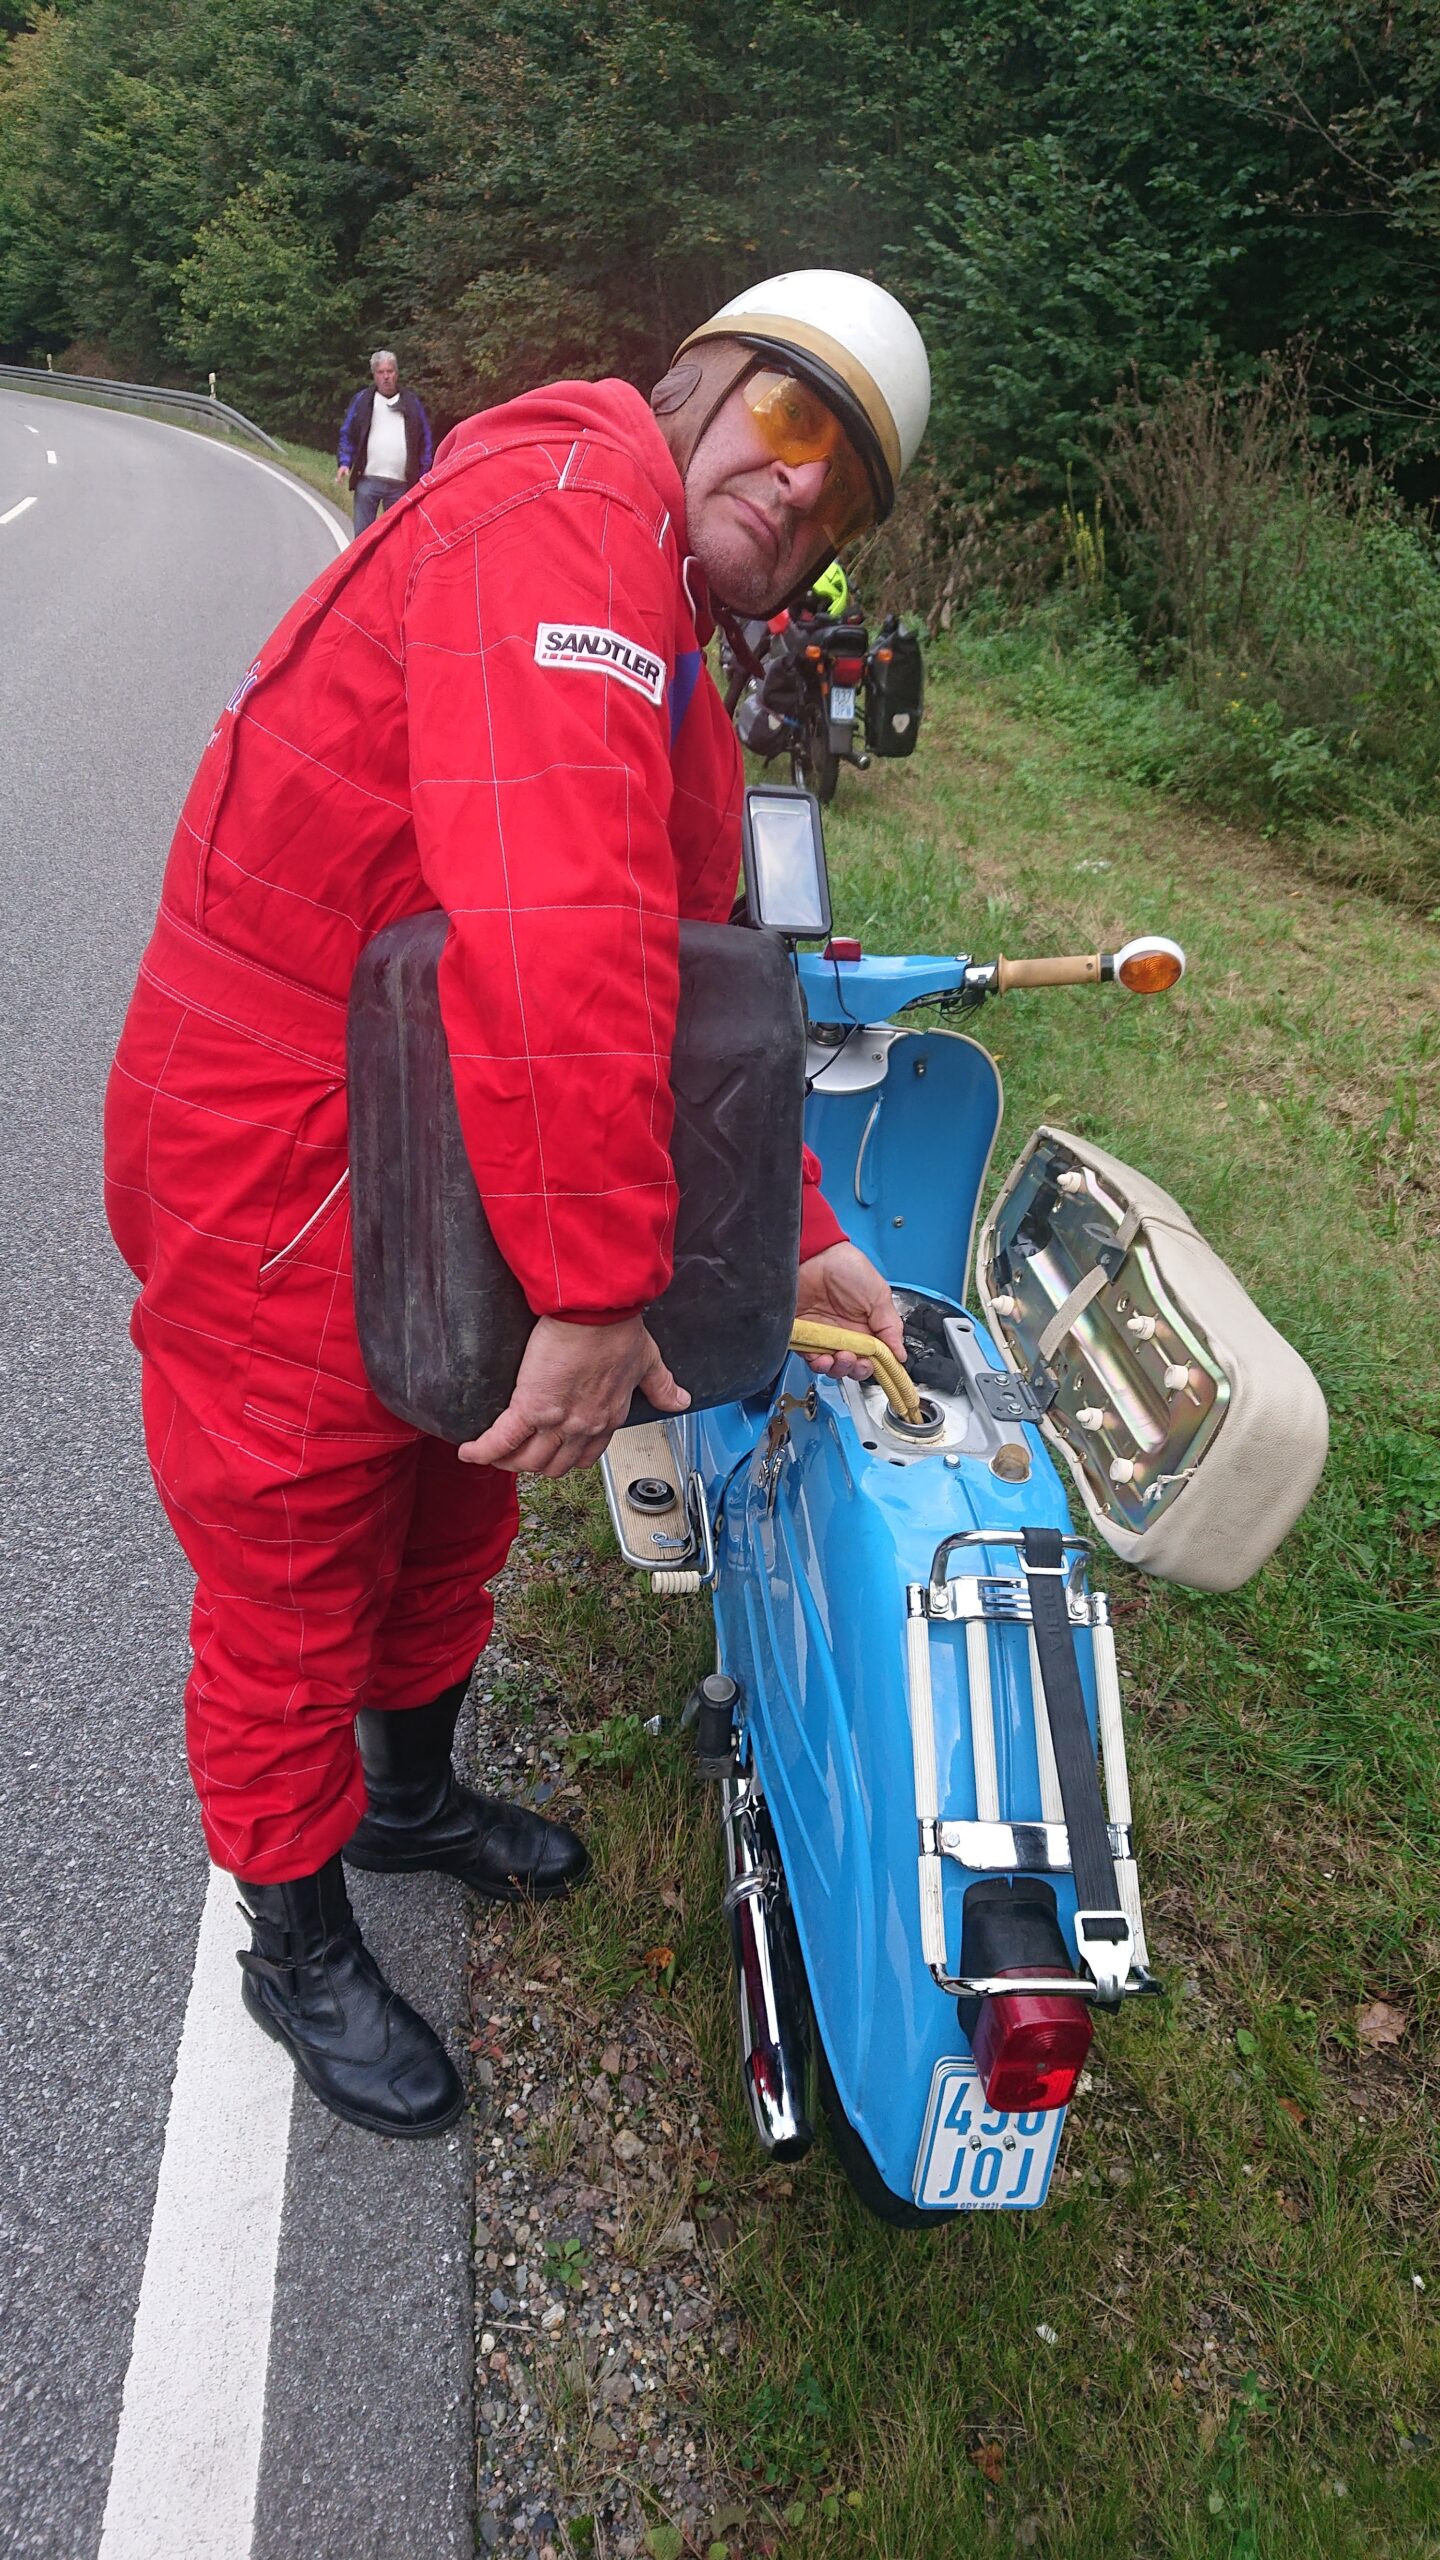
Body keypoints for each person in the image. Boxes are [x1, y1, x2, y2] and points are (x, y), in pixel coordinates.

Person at [104, 269, 932, 2140]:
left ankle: (403, 1800)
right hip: (287, 1125)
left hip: (446, 1113)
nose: (808, 488)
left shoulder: (671, 641)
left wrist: (799, 1225)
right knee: (296, 1545)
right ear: (704, 382)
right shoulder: (566, 512)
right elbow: (558, 926)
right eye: (797, 419)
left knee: (452, 1488)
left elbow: (692, 995)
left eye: (851, 493)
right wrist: (595, 1284)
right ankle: (292, 1937)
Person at [336, 347, 434, 534]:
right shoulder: (363, 400)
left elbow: (425, 440)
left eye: (390, 371)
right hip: (368, 480)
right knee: (363, 538)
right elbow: (348, 432)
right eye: (381, 372)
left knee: (396, 539)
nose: (386, 377)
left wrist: (423, 475)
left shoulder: (411, 403)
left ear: (396, 373)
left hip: (401, 485)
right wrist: (344, 462)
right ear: (374, 375)